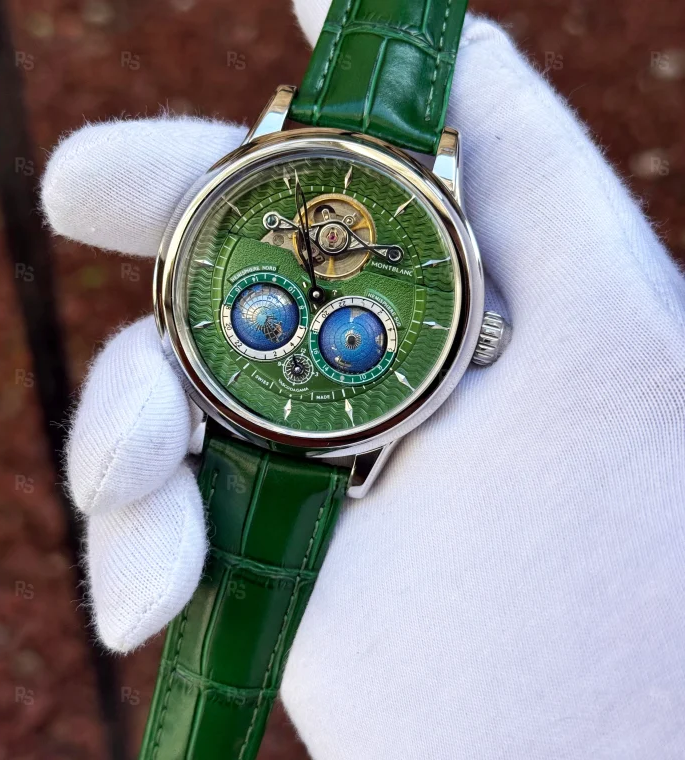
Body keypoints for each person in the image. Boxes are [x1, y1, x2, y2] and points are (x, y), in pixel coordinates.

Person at [41, 3, 685, 758]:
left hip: (322, 407)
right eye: (317, 239)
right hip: (275, 389)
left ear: (474, 335)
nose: (328, 253)